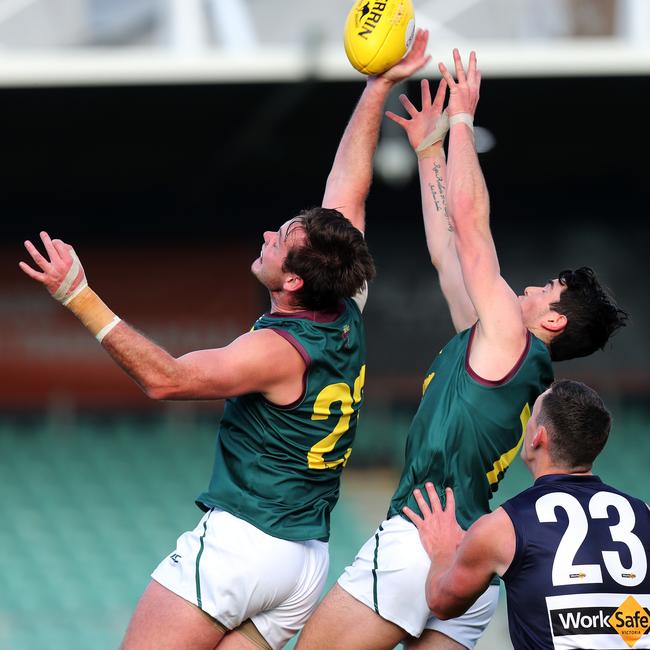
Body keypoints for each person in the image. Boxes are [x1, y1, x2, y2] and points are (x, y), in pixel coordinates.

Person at [18, 31, 432, 650]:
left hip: (244, 543)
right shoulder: (346, 303)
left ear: (293, 279)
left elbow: (167, 379)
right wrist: (377, 87)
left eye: (281, 237)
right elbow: (348, 185)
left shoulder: (276, 351)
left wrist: (78, 294)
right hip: (302, 562)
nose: (268, 233)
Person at [297, 50, 628, 650]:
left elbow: (472, 229)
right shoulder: (511, 358)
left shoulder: (510, 335)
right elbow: (449, 252)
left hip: (418, 537)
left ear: (553, 318)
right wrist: (427, 152)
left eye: (544, 288)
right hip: (468, 554)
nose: (528, 286)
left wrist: (461, 123)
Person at [404, 379, 650, 650]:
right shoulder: (644, 513)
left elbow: (441, 603)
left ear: (538, 436)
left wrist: (442, 553)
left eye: (531, 417)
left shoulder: (503, 527)